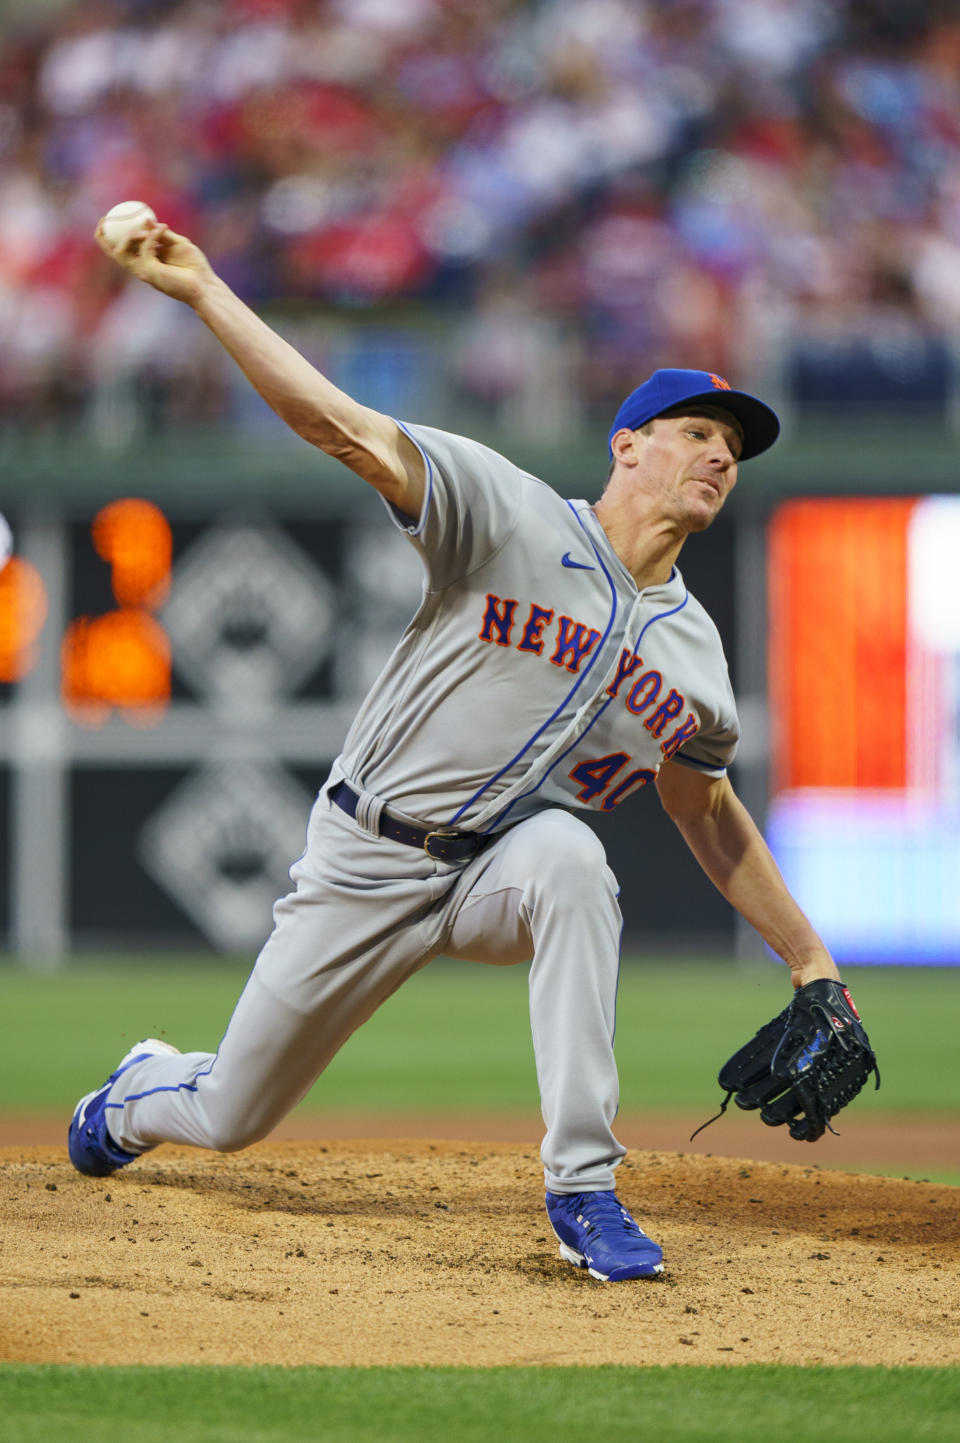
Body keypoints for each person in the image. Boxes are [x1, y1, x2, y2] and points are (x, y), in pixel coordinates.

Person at [69, 217, 845, 1283]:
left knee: (571, 858)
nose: (719, 452)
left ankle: (584, 1186)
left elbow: (702, 808)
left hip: (496, 868)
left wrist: (809, 959)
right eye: (696, 430)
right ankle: (141, 1088)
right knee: (230, 1112)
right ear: (627, 444)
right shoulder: (510, 515)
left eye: (734, 445)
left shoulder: (696, 656)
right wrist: (206, 292)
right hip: (365, 855)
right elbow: (337, 426)